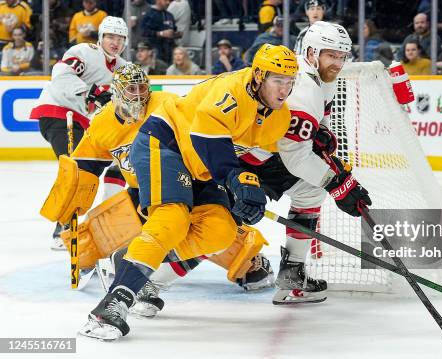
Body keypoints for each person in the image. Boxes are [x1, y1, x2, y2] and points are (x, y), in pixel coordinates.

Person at [77, 44, 298, 341]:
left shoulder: (279, 117)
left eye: (289, 82)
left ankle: (134, 258)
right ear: (258, 76)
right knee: (172, 220)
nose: (284, 90)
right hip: (166, 143)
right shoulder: (231, 91)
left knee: (220, 231)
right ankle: (112, 304)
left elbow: (257, 160)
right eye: (277, 80)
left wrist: (255, 195)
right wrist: (237, 180)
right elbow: (209, 141)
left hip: (201, 167)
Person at [40, 63, 274, 319]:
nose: (139, 94)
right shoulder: (102, 124)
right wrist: (72, 201)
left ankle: (245, 263)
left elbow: (203, 132)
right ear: (117, 92)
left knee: (220, 231)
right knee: (107, 234)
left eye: (143, 87)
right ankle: (138, 275)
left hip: (188, 179)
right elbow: (85, 168)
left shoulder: (165, 102)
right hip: (141, 194)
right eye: (131, 89)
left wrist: (224, 175)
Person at [260, 21, 371, 304]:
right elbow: (296, 158)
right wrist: (338, 184)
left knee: (309, 191)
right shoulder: (302, 87)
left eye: (342, 56)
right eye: (331, 55)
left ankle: (292, 272)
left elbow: (310, 133)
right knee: (216, 221)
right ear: (311, 53)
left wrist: (321, 133)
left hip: (265, 153)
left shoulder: (321, 79)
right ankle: (148, 283)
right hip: (244, 156)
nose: (337, 62)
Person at [29, 16, 128, 249]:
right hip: (57, 113)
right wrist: (90, 92)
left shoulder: (123, 68)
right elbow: (61, 74)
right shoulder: (85, 51)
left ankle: (80, 223)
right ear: (101, 37)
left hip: (80, 121)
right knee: (75, 170)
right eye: (111, 37)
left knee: (89, 167)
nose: (115, 42)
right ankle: (63, 228)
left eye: (120, 38)